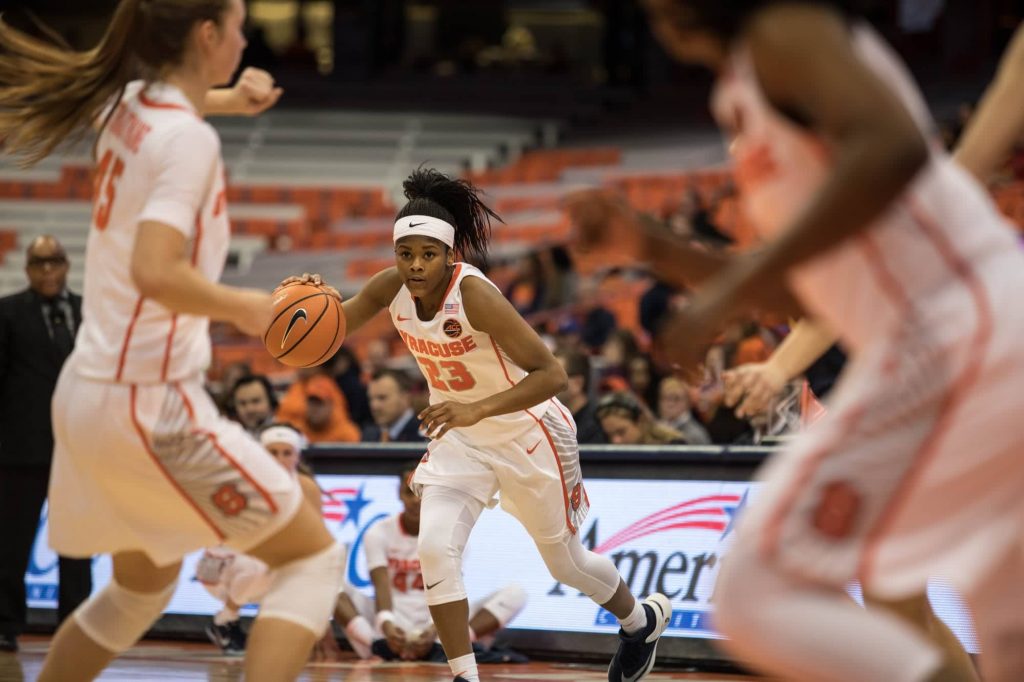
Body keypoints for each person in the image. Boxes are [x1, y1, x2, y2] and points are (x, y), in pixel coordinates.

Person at [578, 2, 1024, 681]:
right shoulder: (741, 94)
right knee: (972, 614)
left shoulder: (783, 31)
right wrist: (650, 246)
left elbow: (894, 146)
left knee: (763, 591)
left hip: (962, 319)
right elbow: (809, 294)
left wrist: (728, 295)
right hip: (931, 344)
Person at [0, 2, 344, 680]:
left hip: (85, 395)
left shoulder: (131, 104)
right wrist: (249, 307)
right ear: (207, 34)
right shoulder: (189, 141)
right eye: (240, 26)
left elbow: (169, 122)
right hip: (146, 403)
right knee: (312, 560)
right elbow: (154, 270)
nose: (248, 40)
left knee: (139, 588)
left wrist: (228, 103)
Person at [280, 167, 672, 682]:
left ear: (449, 255)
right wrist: (306, 311)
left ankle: (640, 621)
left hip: (528, 429)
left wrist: (477, 408)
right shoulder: (388, 288)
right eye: (405, 254)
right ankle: (466, 676)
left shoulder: (475, 296)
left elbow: (552, 375)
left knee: (564, 562)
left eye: (428, 255)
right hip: (461, 437)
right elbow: (322, 341)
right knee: (433, 547)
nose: (416, 266)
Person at [0, 236, 92, 652]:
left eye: (55, 261)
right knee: (11, 541)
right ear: (27, 269)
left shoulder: (86, 312)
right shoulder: (8, 313)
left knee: (77, 543)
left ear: (67, 264)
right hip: (21, 447)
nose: (48, 271)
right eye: (39, 263)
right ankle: (5, 624)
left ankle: (76, 626)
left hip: (77, 449)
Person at [334, 466, 527, 662]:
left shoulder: (451, 532)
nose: (416, 499)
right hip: (391, 623)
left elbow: (451, 591)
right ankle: (376, 645)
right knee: (329, 585)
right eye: (409, 492)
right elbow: (381, 587)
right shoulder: (378, 531)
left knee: (517, 593)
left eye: (424, 491)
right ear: (399, 495)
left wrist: (433, 630)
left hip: (437, 623)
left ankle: (444, 647)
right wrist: (387, 624)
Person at [197, 423, 341, 660]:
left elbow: (319, 548)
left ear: (297, 456)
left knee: (329, 572)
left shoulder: (306, 487)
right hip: (219, 568)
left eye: (287, 453)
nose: (280, 459)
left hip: (263, 569)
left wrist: (320, 617)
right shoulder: (241, 484)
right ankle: (224, 621)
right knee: (264, 563)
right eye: (273, 453)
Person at [276, 370, 361, 444]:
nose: (314, 408)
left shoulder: (346, 434)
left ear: (331, 406)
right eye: (311, 402)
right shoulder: (296, 433)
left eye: (320, 403)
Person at [595, 391, 687, 446]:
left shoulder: (673, 447)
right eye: (609, 436)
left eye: (621, 432)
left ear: (640, 422)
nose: (616, 441)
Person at [553, 350, 606, 444]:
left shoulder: (599, 424)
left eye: (555, 375)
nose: (547, 382)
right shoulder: (553, 418)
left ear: (577, 383)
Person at [362, 369, 427, 443]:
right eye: (371, 399)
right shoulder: (369, 435)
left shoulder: (426, 435)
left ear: (405, 398)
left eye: (382, 397)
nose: (374, 406)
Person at [656, 376, 711, 445]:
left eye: (676, 399)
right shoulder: (654, 431)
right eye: (665, 398)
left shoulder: (696, 435)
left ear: (687, 402)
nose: (670, 404)